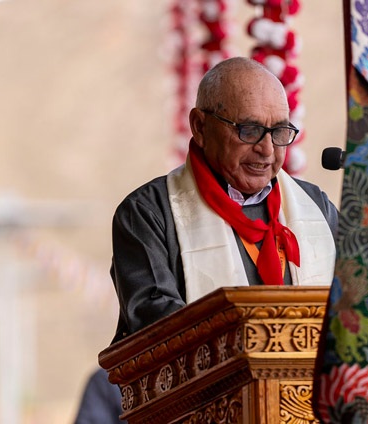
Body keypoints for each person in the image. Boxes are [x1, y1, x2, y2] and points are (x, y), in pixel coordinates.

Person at [109, 57, 338, 343]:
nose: (266, 149)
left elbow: (356, 307)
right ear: (201, 127)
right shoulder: (149, 213)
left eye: (279, 132)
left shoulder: (316, 208)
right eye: (249, 130)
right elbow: (157, 326)